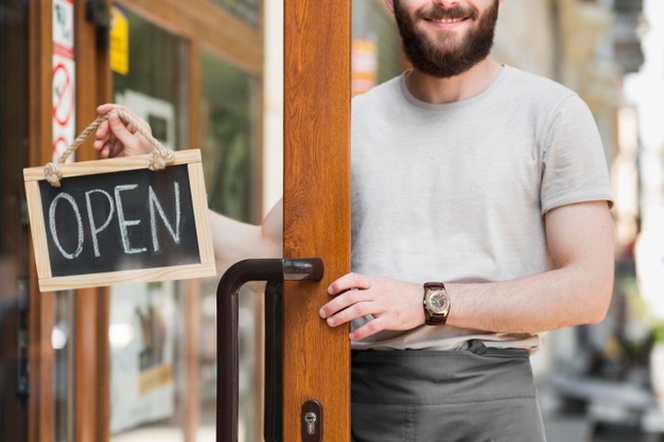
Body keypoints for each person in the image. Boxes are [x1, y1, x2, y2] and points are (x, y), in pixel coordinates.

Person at [94, 0, 615, 440]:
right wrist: (152, 184)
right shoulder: (349, 124)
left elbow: (588, 289)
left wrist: (426, 301)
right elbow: (270, 253)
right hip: (360, 405)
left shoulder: (553, 115)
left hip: (497, 406)